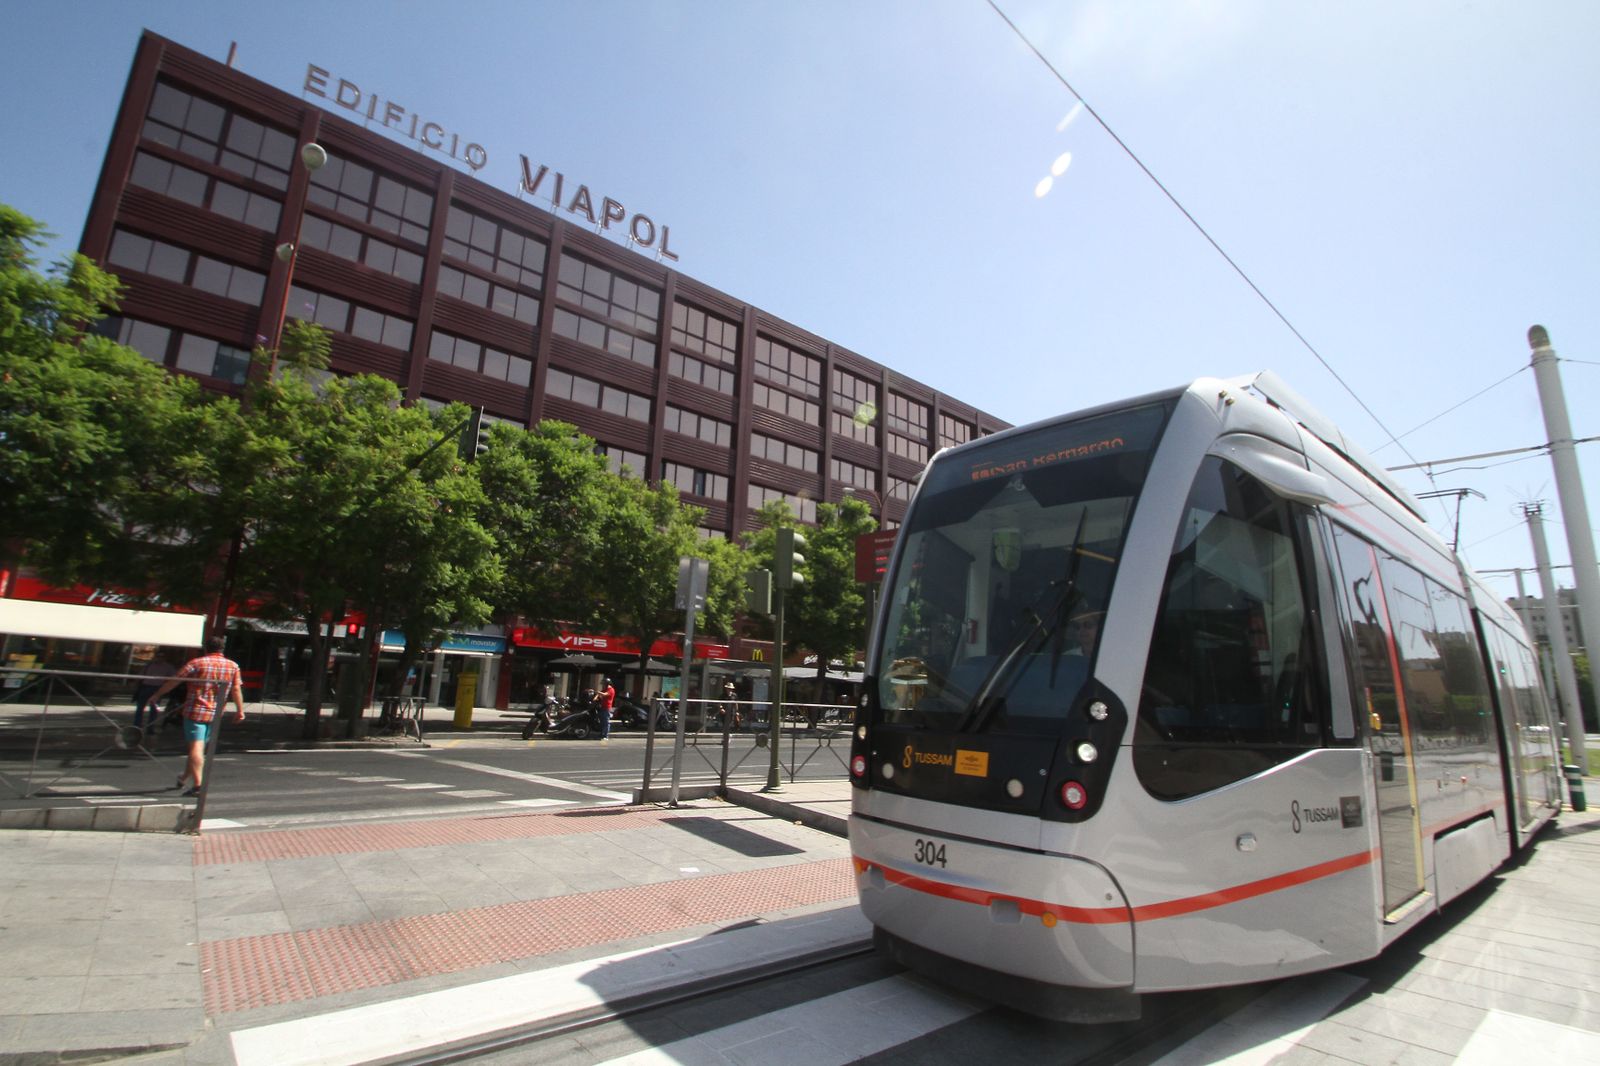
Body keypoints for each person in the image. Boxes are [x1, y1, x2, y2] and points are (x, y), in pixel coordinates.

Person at [151, 637, 245, 797]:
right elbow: (236, 689)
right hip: (215, 713)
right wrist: (240, 710)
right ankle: (184, 777)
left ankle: (198, 785)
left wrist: (157, 695)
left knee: (196, 748)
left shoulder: (196, 663)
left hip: (195, 710)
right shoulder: (233, 666)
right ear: (222, 649)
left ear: (206, 648)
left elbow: (175, 681)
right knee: (199, 749)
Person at [132, 652, 176, 731]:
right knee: (140, 707)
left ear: (164, 658)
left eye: (161, 657)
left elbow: (173, 677)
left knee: (154, 709)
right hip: (146, 687)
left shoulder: (168, 667)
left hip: (157, 688)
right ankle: (136, 726)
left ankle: (150, 727)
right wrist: (136, 684)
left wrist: (166, 686)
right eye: (158, 656)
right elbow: (141, 675)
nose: (159, 658)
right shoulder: (149, 665)